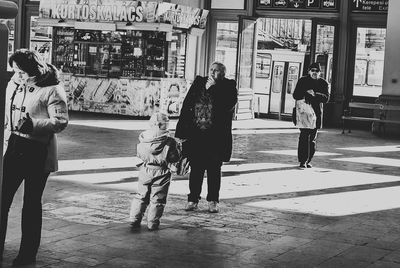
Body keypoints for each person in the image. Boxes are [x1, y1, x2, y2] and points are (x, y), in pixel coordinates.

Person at [0, 49, 69, 265]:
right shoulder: (14, 82)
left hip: (37, 149)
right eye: (15, 71)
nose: (17, 76)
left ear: (33, 70)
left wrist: (34, 125)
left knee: (31, 204)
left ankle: (27, 254)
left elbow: (61, 121)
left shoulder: (52, 88)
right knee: (2, 201)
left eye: (22, 72)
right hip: (13, 146)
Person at [175, 62, 238, 213]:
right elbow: (187, 105)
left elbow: (228, 105)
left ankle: (213, 201)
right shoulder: (199, 83)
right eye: (211, 69)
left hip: (216, 137)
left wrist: (214, 89)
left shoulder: (228, 87)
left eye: (216, 71)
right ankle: (192, 199)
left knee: (214, 170)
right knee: (196, 169)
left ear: (223, 74)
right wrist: (181, 132)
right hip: (197, 135)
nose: (212, 73)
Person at [129, 112, 181, 231]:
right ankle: (152, 223)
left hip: (145, 170)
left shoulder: (144, 139)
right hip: (162, 172)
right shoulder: (169, 142)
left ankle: (134, 219)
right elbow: (174, 158)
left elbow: (140, 154)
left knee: (141, 196)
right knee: (158, 199)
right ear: (164, 125)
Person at [293, 62, 329, 169]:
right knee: (304, 137)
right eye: (312, 70)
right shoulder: (302, 80)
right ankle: (302, 161)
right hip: (303, 114)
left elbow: (326, 98)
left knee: (312, 139)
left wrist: (315, 94)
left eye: (317, 71)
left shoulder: (323, 83)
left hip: (316, 114)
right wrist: (305, 93)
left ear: (320, 72)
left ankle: (309, 160)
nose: (314, 72)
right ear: (309, 71)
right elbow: (295, 95)